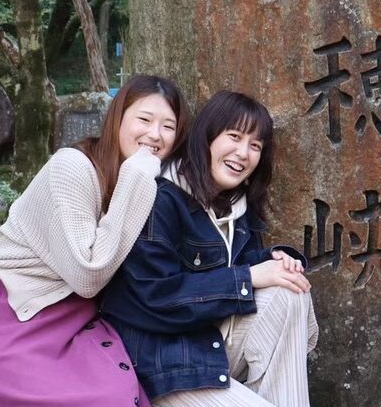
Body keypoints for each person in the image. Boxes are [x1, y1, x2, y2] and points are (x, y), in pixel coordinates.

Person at [0, 75, 190, 407]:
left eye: (168, 126)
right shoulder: (73, 166)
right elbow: (88, 275)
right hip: (16, 315)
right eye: (144, 119)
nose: (155, 135)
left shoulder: (143, 177)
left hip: (80, 322)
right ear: (117, 118)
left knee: (120, 394)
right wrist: (138, 176)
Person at [102, 90, 318, 407]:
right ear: (207, 137)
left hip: (209, 346)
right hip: (163, 363)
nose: (243, 153)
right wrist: (249, 277)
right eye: (234, 137)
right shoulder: (160, 197)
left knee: (288, 288)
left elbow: (234, 267)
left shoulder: (238, 207)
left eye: (255, 146)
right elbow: (156, 295)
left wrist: (272, 261)